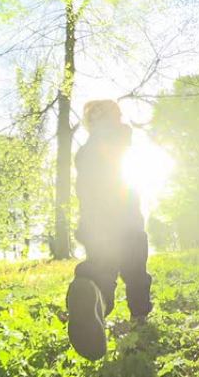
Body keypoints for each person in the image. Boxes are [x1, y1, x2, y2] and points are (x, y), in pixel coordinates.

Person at [66, 99, 153, 361]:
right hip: (128, 224)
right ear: (115, 118)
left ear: (90, 124)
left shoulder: (84, 153)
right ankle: (139, 317)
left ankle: (94, 297)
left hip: (96, 227)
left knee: (101, 272)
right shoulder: (120, 139)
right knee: (136, 274)